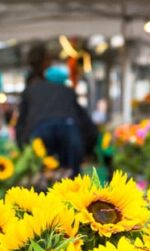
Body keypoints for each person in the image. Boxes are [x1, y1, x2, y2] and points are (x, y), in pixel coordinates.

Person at [15, 44, 95, 176]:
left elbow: (21, 125)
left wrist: (23, 148)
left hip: (40, 132)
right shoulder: (66, 91)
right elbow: (88, 125)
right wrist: (87, 150)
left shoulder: (30, 91)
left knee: (41, 181)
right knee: (73, 183)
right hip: (69, 129)